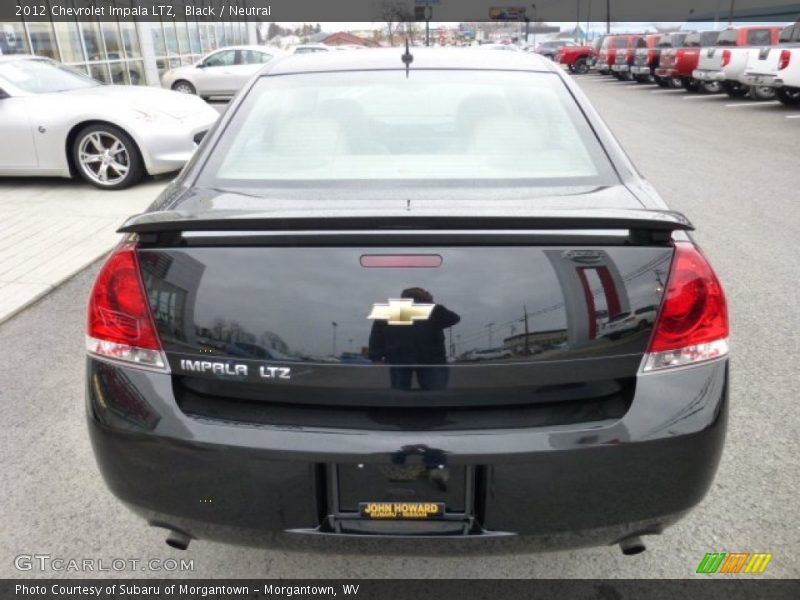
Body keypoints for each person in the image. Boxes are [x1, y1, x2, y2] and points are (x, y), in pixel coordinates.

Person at [368, 287, 460, 390]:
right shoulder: (432, 310)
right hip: (431, 358)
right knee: (435, 393)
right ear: (423, 298)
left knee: (399, 394)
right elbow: (454, 318)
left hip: (399, 358)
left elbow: (377, 336)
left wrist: (375, 356)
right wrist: (431, 303)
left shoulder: (392, 311)